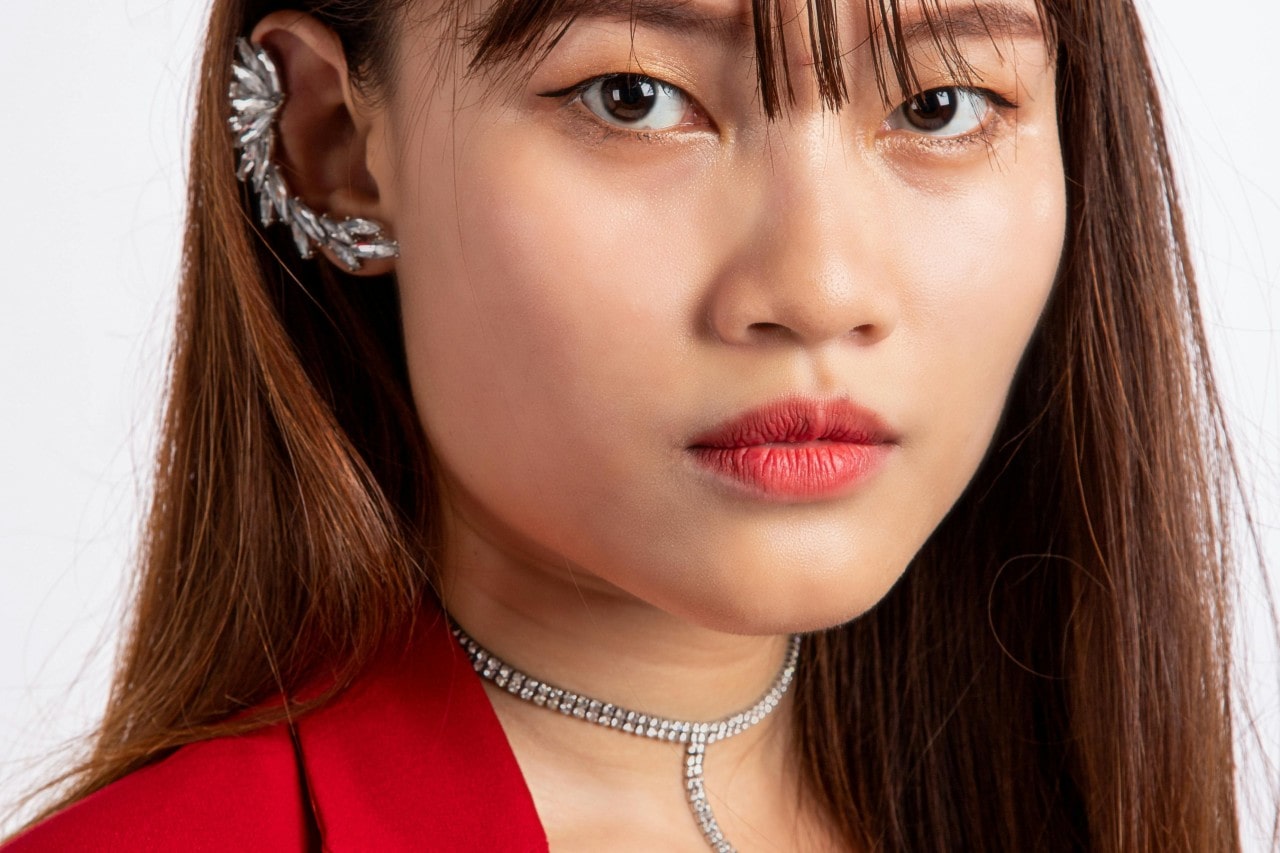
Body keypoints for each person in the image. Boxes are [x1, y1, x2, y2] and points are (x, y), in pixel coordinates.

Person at [3, 0, 1247, 849]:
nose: (817, 287)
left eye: (938, 107)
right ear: (332, 141)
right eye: (631, 96)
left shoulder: (1084, 802)